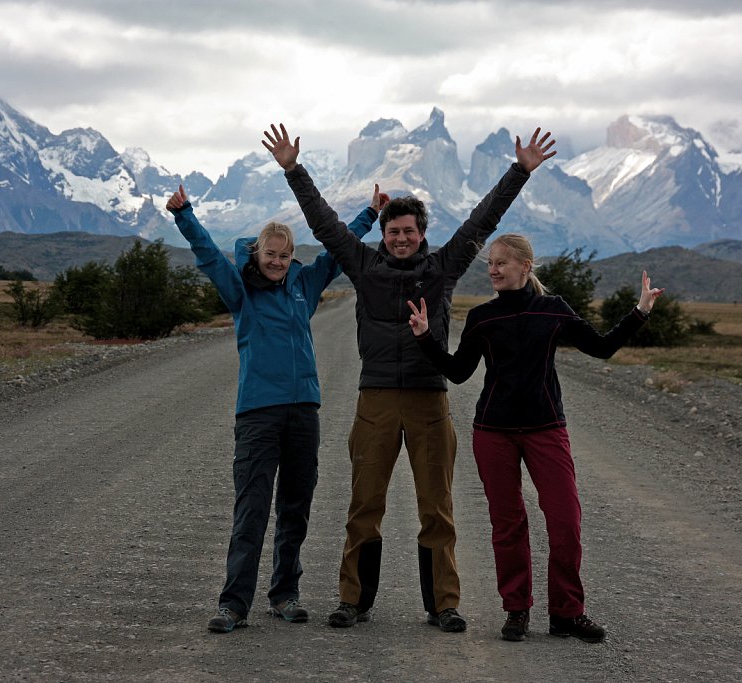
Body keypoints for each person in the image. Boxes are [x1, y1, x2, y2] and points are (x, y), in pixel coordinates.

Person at [262, 123, 556, 632]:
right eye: (393, 231)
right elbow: (325, 224)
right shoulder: (362, 263)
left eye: (409, 232)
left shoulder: (443, 267)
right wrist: (294, 169)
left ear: (422, 234)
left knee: (436, 507)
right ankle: (352, 600)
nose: (400, 238)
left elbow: (482, 222)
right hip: (374, 399)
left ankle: (444, 604)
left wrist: (519, 172)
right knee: (364, 505)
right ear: (384, 234)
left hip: (428, 401)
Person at [406, 233, 664, 642]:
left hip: (546, 429)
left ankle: (567, 613)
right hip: (494, 433)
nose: (492, 269)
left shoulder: (552, 310)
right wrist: (424, 337)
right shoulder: (482, 318)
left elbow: (600, 348)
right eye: (490, 263)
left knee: (566, 521)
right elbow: (457, 372)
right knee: (508, 525)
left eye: (501, 263)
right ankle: (516, 610)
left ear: (525, 267)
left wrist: (640, 310)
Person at [165, 182, 384, 633]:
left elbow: (340, 252)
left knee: (295, 507)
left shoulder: (304, 283)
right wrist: (184, 215)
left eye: (284, 255)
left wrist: (371, 215)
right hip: (258, 414)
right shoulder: (241, 291)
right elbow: (208, 255)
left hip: (303, 412)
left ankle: (285, 594)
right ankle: (233, 604)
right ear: (257, 253)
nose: (277, 261)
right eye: (270, 253)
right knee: (252, 508)